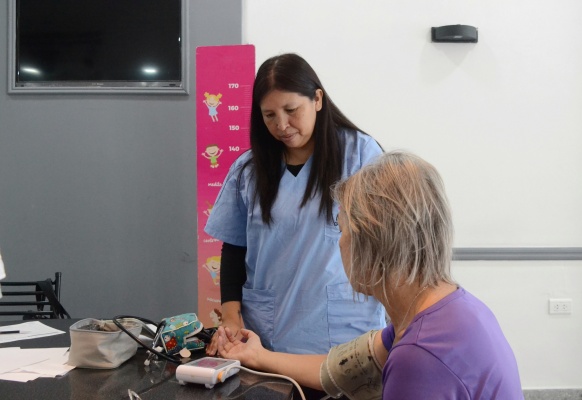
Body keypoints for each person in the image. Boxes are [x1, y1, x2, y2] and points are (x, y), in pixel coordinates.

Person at [216, 151, 524, 400]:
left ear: (374, 242)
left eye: (342, 227)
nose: (339, 242)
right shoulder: (445, 308)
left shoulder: (419, 358)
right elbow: (338, 369)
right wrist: (257, 355)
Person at [204, 53, 386, 356]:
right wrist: (232, 315)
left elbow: (390, 242)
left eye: (291, 110)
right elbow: (235, 249)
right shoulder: (248, 170)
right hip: (267, 336)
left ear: (317, 99)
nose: (282, 125)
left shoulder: (360, 156)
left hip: (346, 332)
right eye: (269, 115)